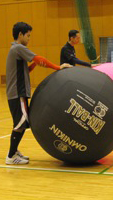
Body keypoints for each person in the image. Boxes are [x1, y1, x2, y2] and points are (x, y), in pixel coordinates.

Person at [5, 22, 71, 165]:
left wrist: (34, 65)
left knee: (21, 123)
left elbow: (23, 72)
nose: (29, 39)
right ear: (20, 34)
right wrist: (58, 67)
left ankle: (14, 151)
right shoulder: (18, 48)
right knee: (20, 124)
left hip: (18, 93)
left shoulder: (16, 50)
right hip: (17, 93)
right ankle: (11, 156)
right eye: (28, 36)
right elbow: (40, 58)